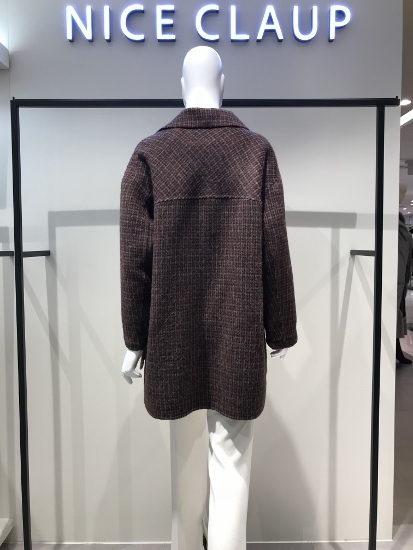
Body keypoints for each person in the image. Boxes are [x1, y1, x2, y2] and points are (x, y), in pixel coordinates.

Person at [119, 46, 297, 550]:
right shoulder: (256, 153)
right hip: (237, 336)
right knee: (232, 461)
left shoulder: (149, 155)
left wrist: (134, 339)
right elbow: (274, 249)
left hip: (172, 338)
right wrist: (281, 329)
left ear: (181, 85)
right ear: (224, 82)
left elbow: (134, 261)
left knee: (182, 462)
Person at [397, 184, 412, 365]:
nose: (402, 196)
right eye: (400, 192)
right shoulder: (393, 223)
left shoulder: (399, 221)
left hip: (401, 277)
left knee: (399, 312)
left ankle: (396, 347)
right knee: (394, 312)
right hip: (395, 278)